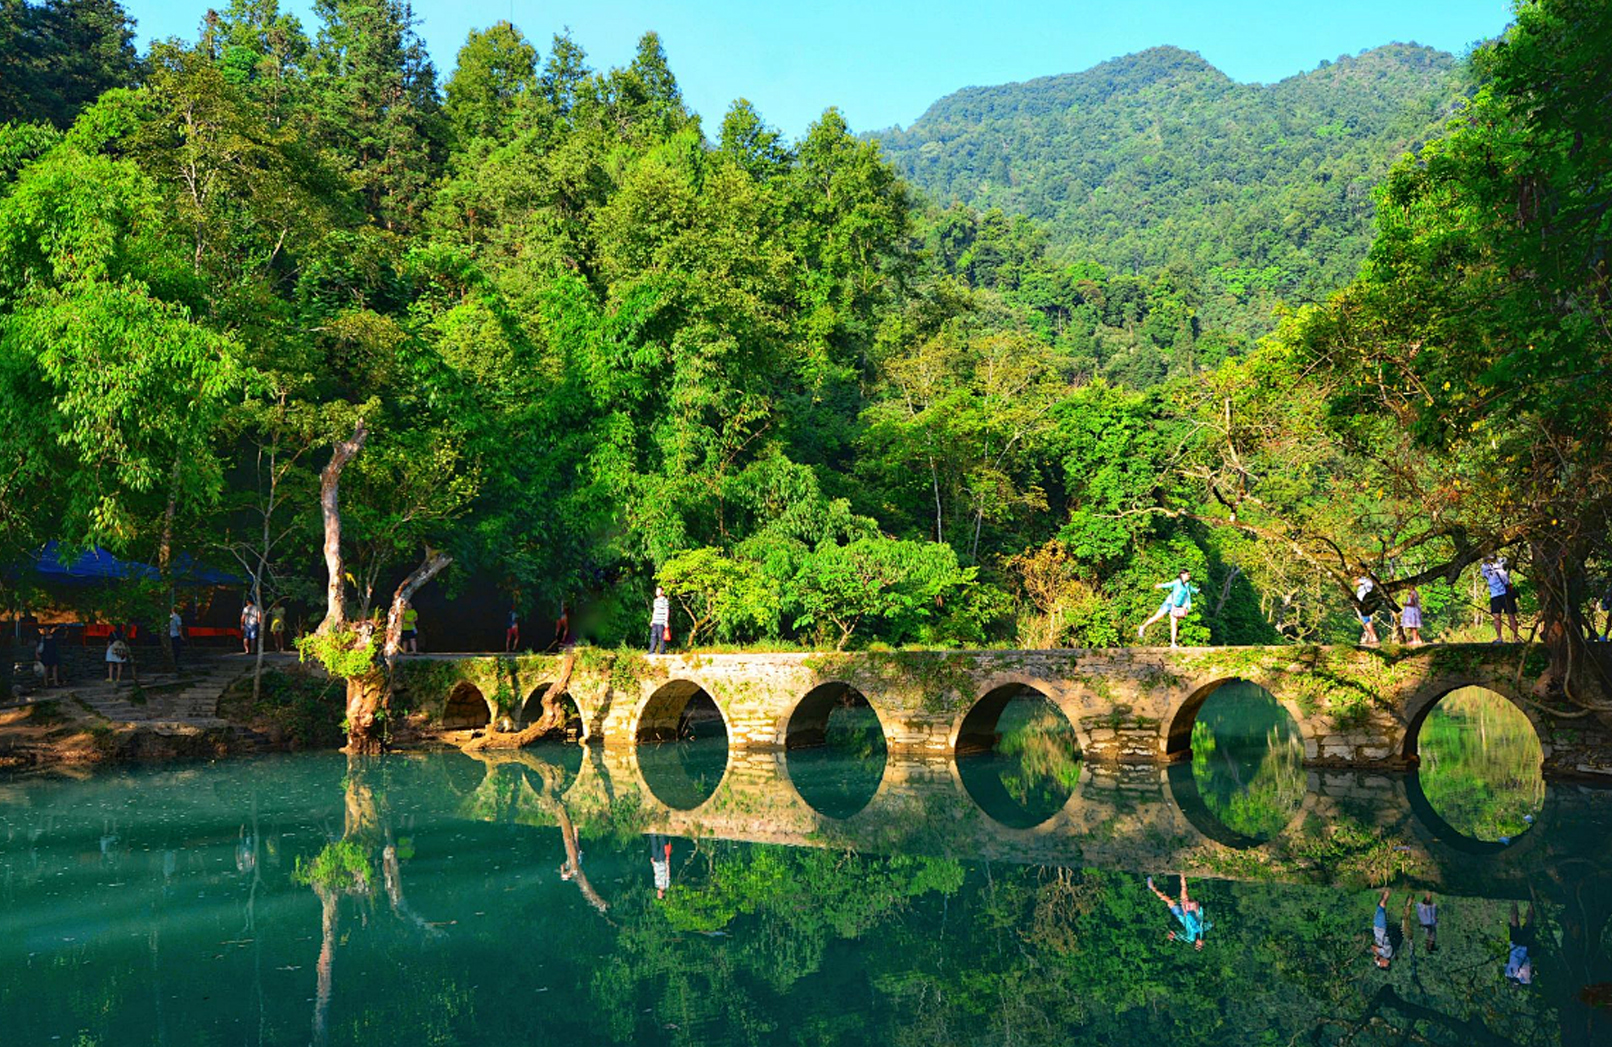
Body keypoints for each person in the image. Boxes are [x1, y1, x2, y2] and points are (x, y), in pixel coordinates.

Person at [1137, 570, 1200, 648]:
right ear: (1182, 575)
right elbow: (1169, 584)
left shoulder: (1187, 585)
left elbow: (1192, 589)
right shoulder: (1177, 582)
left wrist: (1197, 591)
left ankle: (1173, 643)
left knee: (1174, 624)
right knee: (1157, 617)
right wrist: (1161, 585)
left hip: (1176, 607)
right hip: (1169, 603)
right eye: (1187, 574)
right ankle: (1142, 627)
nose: (1189, 576)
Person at [1146, 874, 1206, 950]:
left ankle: (1152, 888)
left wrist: (1174, 936)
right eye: (1201, 945)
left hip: (1181, 914)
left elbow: (1181, 936)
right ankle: (1182, 874)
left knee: (1168, 900)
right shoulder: (1202, 932)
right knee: (1184, 892)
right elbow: (1201, 919)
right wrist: (1198, 910)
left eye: (1198, 945)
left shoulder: (1191, 938)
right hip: (1189, 911)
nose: (1200, 943)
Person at [1481, 557, 1521, 643]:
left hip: (1501, 594)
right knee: (1504, 617)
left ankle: (1508, 638)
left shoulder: (1489, 565)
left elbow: (1485, 575)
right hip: (1500, 594)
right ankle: (1509, 638)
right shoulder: (1489, 565)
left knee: (1504, 617)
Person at [1505, 901, 1536, 984]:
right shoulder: (1526, 980)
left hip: (1518, 945)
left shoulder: (1508, 974)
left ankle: (1515, 901)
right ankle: (1530, 902)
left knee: (1516, 922)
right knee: (1528, 923)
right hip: (1523, 946)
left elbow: (1506, 962)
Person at [1370, 887, 1394, 969]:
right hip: (1381, 929)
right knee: (1381, 907)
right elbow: (1374, 947)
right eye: (1383, 964)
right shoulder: (1387, 954)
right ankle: (1387, 890)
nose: (1382, 962)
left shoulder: (1385, 954)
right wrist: (1376, 957)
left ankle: (1385, 892)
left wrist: (1377, 956)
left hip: (1379, 929)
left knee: (1380, 908)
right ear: (1387, 963)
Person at [1355, 575, 1381, 645]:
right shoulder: (1371, 579)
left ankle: (1374, 637)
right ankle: (1371, 637)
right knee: (1366, 620)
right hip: (1366, 601)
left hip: (1364, 601)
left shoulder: (1366, 578)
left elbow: (1355, 583)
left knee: (1366, 619)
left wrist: (1356, 578)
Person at [649, 834, 672, 899]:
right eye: (659, 895)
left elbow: (655, 873)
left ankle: (653, 835)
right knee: (662, 847)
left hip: (656, 863)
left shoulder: (656, 885)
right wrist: (667, 863)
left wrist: (653, 863)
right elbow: (668, 875)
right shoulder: (666, 885)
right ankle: (662, 836)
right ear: (663, 894)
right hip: (662, 863)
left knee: (654, 847)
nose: (658, 893)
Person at [649, 586, 671, 654]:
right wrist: (652, 620)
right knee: (653, 636)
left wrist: (666, 621)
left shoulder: (665, 600)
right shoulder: (655, 600)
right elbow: (654, 610)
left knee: (661, 637)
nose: (657, 592)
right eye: (656, 591)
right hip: (655, 621)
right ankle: (651, 651)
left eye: (658, 591)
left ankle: (662, 651)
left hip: (661, 622)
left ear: (662, 592)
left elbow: (667, 610)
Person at [168, 605, 186, 671]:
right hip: (176, 635)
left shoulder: (169, 617)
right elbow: (179, 628)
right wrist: (181, 636)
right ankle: (175, 662)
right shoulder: (177, 617)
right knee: (176, 650)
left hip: (170, 635)